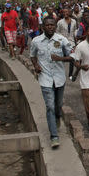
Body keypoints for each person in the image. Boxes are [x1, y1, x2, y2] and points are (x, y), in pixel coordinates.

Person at [30, 16, 74, 148]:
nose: (50, 27)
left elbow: (72, 57)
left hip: (59, 78)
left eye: (52, 25)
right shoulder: (36, 41)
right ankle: (54, 136)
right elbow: (32, 56)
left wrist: (59, 58)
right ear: (43, 27)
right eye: (47, 25)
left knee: (58, 105)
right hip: (45, 79)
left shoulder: (62, 40)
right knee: (50, 106)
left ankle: (57, 117)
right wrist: (36, 66)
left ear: (55, 26)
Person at [56, 7, 78, 79]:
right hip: (62, 42)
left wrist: (76, 43)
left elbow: (75, 32)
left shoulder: (74, 21)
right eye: (64, 12)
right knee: (62, 58)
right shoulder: (60, 22)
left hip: (71, 42)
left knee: (72, 57)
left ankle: (70, 74)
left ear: (69, 12)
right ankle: (60, 73)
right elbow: (57, 32)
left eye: (67, 12)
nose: (65, 13)